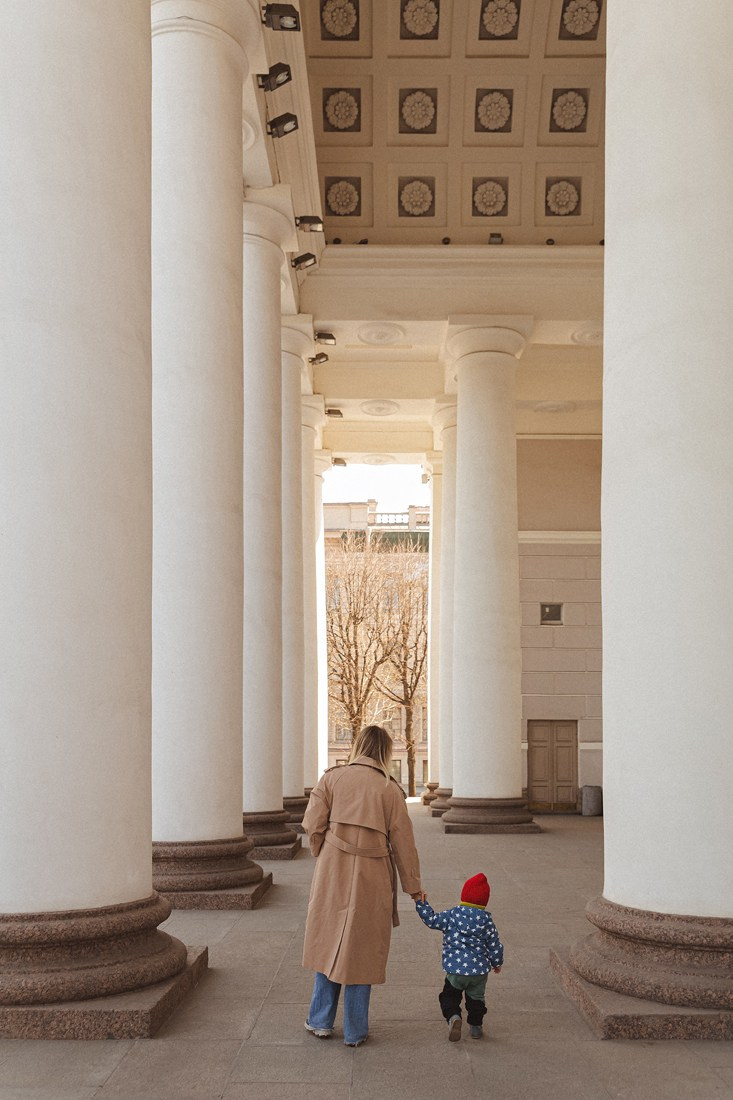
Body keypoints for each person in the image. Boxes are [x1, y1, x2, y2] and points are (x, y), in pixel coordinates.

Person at [302, 724, 425, 1047]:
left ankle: (320, 1020)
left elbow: (312, 824)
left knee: (329, 940)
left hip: (333, 870)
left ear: (358, 746)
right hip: (373, 873)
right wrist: (413, 887)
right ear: (384, 752)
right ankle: (355, 1031)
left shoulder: (332, 778)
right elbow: (404, 843)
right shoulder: (390, 790)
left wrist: (322, 850)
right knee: (363, 947)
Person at [415, 872, 503, 1041]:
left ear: (464, 896)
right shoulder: (487, 921)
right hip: (479, 972)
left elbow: (432, 920)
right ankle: (476, 1027)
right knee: (476, 999)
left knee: (449, 996)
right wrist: (497, 963)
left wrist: (421, 903)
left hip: (456, 970)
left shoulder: (452, 915)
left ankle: (454, 1016)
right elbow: (494, 945)